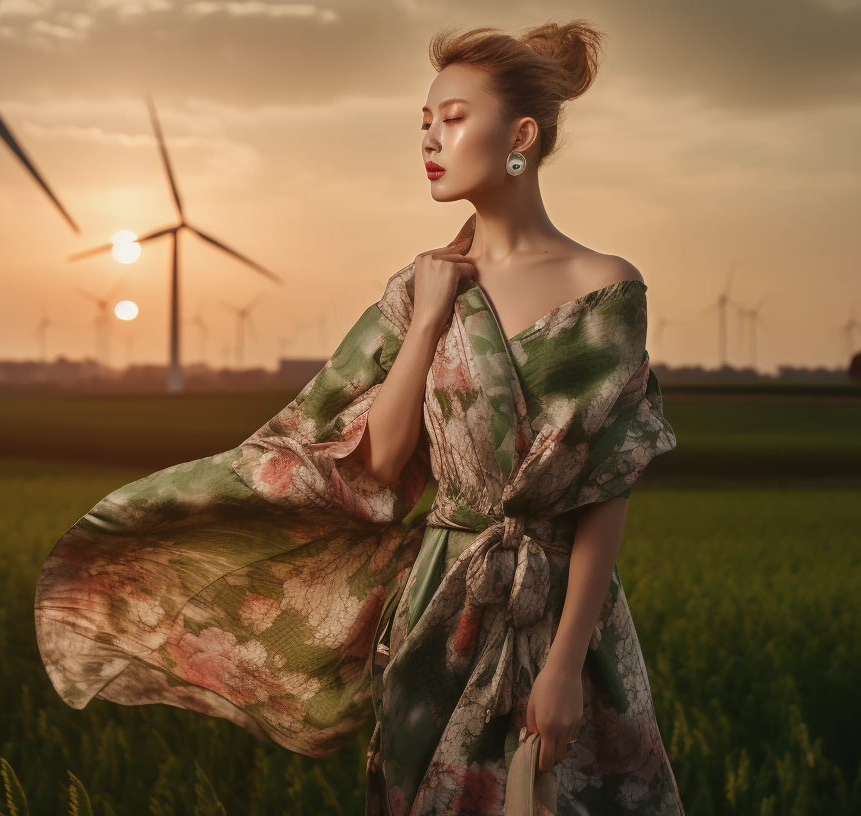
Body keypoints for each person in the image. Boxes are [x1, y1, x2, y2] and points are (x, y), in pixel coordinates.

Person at [34, 18, 683, 816]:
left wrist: (562, 664)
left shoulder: (605, 289)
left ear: (519, 135)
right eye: (423, 123)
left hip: (561, 615)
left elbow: (603, 492)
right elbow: (379, 463)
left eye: (451, 117)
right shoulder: (419, 289)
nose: (430, 139)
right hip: (441, 608)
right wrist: (425, 322)